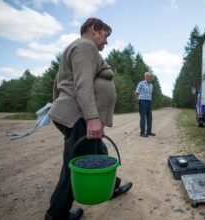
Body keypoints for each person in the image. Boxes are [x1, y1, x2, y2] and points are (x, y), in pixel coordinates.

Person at [45, 18, 132, 220]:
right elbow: (82, 85)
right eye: (105, 35)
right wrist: (92, 118)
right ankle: (56, 215)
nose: (106, 42)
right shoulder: (85, 46)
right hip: (79, 116)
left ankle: (112, 186)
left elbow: (58, 82)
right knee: (74, 166)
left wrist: (57, 104)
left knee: (99, 151)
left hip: (74, 114)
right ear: (94, 29)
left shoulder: (76, 48)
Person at [135, 71, 155, 137]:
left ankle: (149, 132)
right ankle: (142, 133)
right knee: (143, 117)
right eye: (147, 76)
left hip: (149, 101)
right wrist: (137, 102)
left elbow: (150, 94)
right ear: (145, 77)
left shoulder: (151, 85)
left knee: (150, 117)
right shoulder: (141, 83)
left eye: (150, 76)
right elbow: (137, 92)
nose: (148, 77)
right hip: (142, 101)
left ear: (151, 77)